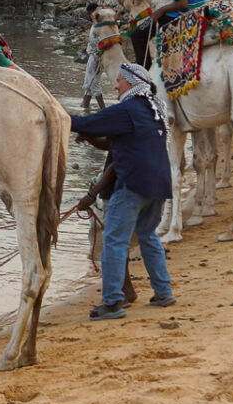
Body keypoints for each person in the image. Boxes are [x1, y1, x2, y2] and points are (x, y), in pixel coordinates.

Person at [68, 62, 176, 320]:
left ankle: (113, 302)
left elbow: (87, 122)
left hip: (133, 186)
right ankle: (163, 292)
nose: (115, 85)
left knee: (114, 242)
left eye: (118, 81)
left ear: (129, 83)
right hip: (159, 186)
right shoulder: (154, 110)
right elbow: (113, 143)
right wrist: (88, 132)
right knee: (148, 237)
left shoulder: (127, 109)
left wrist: (53, 112)